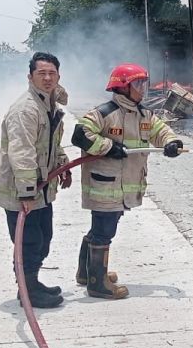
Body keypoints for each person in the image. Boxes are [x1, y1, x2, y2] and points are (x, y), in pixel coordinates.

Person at [71, 62, 183, 299]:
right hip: (105, 186)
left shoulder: (144, 114)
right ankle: (97, 284)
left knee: (100, 229)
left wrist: (172, 143)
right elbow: (80, 134)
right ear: (122, 87)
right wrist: (108, 147)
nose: (143, 89)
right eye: (138, 84)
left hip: (121, 188)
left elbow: (160, 131)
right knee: (104, 232)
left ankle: (88, 272)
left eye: (144, 83)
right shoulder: (104, 113)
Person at [0, 51, 72, 309]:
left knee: (44, 237)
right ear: (30, 77)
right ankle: (27, 290)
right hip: (23, 191)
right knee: (29, 241)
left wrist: (62, 165)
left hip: (42, 188)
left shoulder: (48, 105)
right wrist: (27, 193)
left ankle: (32, 282)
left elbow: (50, 144)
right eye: (42, 73)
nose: (48, 78)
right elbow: (22, 153)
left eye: (52, 73)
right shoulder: (26, 109)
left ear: (59, 77)